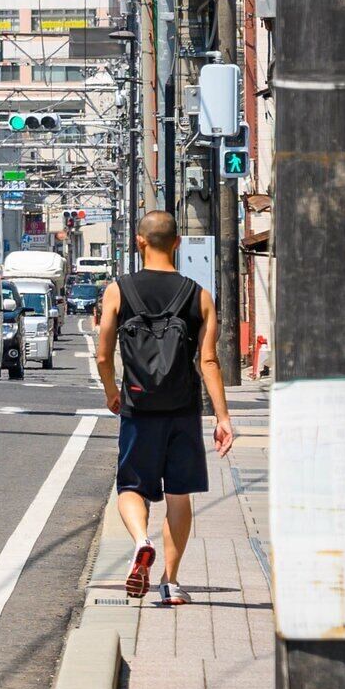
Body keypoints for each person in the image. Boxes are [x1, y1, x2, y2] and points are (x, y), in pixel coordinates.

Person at [93, 208, 238, 606]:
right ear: (177, 244)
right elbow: (208, 361)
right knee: (179, 495)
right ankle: (171, 583)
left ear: (139, 242)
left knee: (130, 488)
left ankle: (141, 541)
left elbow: (104, 355)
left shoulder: (118, 291)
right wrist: (223, 418)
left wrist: (111, 392)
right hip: (182, 409)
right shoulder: (198, 295)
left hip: (139, 407)